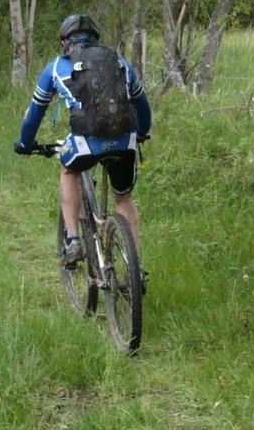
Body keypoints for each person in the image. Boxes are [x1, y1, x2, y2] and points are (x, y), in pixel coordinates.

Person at [14, 13, 151, 267]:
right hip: (125, 141)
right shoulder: (119, 62)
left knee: (68, 170)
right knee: (123, 199)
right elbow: (142, 103)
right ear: (96, 39)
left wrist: (25, 142)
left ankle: (74, 240)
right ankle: (135, 267)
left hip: (86, 143)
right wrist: (143, 131)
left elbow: (34, 113)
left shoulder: (57, 67)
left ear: (65, 42)